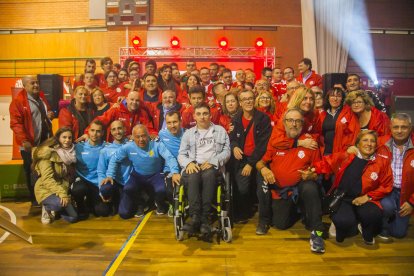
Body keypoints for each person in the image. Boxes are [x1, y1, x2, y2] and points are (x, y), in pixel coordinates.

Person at [255, 108, 325, 253]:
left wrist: (311, 174)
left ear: (302, 123)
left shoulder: (310, 143)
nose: (294, 124)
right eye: (290, 120)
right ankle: (298, 210)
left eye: (298, 121)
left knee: (310, 187)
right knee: (280, 224)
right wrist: (264, 169)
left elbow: (318, 170)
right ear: (284, 123)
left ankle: (317, 233)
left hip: (300, 186)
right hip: (281, 191)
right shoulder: (277, 140)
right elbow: (260, 162)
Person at [313, 130, 393, 245]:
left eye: (372, 141)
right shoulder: (348, 155)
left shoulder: (382, 161)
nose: (369, 144)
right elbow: (327, 162)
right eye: (365, 140)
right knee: (343, 224)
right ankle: (344, 222)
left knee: (374, 214)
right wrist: (313, 170)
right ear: (357, 144)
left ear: (376, 145)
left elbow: (387, 185)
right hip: (343, 198)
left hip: (365, 199)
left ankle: (365, 227)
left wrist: (368, 196)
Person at [103, 124, 181, 219]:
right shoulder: (128, 147)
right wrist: (110, 175)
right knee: (128, 191)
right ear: (132, 137)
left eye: (143, 135)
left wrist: (175, 172)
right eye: (137, 137)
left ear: (148, 135)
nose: (141, 139)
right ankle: (140, 204)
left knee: (161, 190)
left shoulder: (157, 145)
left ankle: (160, 204)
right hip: (138, 176)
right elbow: (114, 159)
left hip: (155, 175)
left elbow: (169, 157)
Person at [178, 103, 231, 234]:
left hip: (212, 167)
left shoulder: (220, 131)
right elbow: (181, 154)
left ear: (210, 115)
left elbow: (227, 151)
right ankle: (195, 217)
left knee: (208, 175)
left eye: (205, 113)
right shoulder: (188, 134)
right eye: (199, 114)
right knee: (193, 176)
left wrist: (214, 161)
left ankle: (205, 218)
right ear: (194, 116)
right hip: (194, 165)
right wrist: (189, 163)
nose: (202, 117)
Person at [9, 75, 54, 206]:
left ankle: (46, 194)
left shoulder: (40, 96)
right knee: (31, 171)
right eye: (32, 83)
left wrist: (49, 114)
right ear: (24, 86)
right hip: (29, 144)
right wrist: (24, 140)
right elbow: (15, 124)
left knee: (45, 169)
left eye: (37, 82)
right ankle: (35, 199)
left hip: (44, 142)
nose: (36, 85)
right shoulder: (18, 102)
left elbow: (46, 111)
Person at [230, 90, 272, 223]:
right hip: (242, 160)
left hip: (259, 159)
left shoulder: (263, 118)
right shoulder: (236, 118)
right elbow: (232, 137)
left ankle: (264, 221)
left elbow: (263, 145)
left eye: (250, 98)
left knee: (262, 190)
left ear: (254, 100)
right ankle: (245, 212)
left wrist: (250, 163)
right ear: (240, 103)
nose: (248, 101)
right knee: (241, 188)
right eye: (244, 99)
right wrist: (234, 146)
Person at [377, 113, 414, 239]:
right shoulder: (380, 143)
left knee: (398, 233)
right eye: (396, 127)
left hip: (407, 195)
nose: (399, 131)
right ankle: (383, 224)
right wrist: (353, 148)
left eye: (403, 127)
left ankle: (389, 221)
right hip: (386, 190)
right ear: (390, 128)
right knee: (387, 207)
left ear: (410, 128)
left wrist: (412, 203)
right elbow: (363, 145)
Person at [32, 127, 78, 224]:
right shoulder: (47, 153)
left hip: (61, 188)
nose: (67, 140)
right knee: (58, 205)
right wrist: (62, 194)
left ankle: (57, 208)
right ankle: (47, 207)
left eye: (70, 138)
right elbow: (47, 179)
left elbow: (67, 176)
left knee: (73, 217)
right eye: (64, 137)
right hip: (45, 189)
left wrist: (65, 193)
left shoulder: (71, 153)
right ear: (58, 138)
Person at [78, 90, 156, 142]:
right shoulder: (116, 110)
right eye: (132, 99)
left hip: (134, 146)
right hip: (115, 145)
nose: (134, 102)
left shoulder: (142, 113)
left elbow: (149, 128)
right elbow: (100, 121)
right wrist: (87, 132)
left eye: (137, 100)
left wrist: (154, 135)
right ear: (127, 99)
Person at [72, 120, 111, 218]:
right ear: (88, 131)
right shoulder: (78, 147)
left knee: (103, 212)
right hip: (82, 181)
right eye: (92, 130)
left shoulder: (107, 147)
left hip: (98, 182)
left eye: (98, 131)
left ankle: (90, 201)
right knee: (78, 189)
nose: (95, 134)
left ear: (102, 133)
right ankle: (80, 206)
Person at [97, 120, 132, 215]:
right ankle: (110, 200)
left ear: (125, 129)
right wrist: (101, 190)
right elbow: (101, 172)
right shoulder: (105, 150)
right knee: (102, 211)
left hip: (130, 183)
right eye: (114, 129)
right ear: (111, 132)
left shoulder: (132, 146)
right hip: (114, 183)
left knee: (125, 213)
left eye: (120, 128)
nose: (117, 132)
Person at [316, 87, 360, 156]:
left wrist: (348, 148)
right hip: (325, 152)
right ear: (328, 98)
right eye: (332, 96)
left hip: (342, 152)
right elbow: (318, 133)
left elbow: (354, 132)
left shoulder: (349, 112)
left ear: (342, 99)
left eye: (338, 96)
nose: (335, 99)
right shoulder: (322, 114)